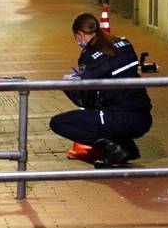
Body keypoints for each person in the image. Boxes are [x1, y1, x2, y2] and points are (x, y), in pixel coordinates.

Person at [50, 13, 152, 168]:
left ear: (80, 34)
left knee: (58, 122)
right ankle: (127, 148)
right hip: (143, 116)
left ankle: (111, 146)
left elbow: (85, 101)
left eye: (77, 38)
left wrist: (68, 85)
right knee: (107, 103)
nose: (78, 41)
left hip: (120, 119)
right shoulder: (124, 43)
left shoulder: (89, 57)